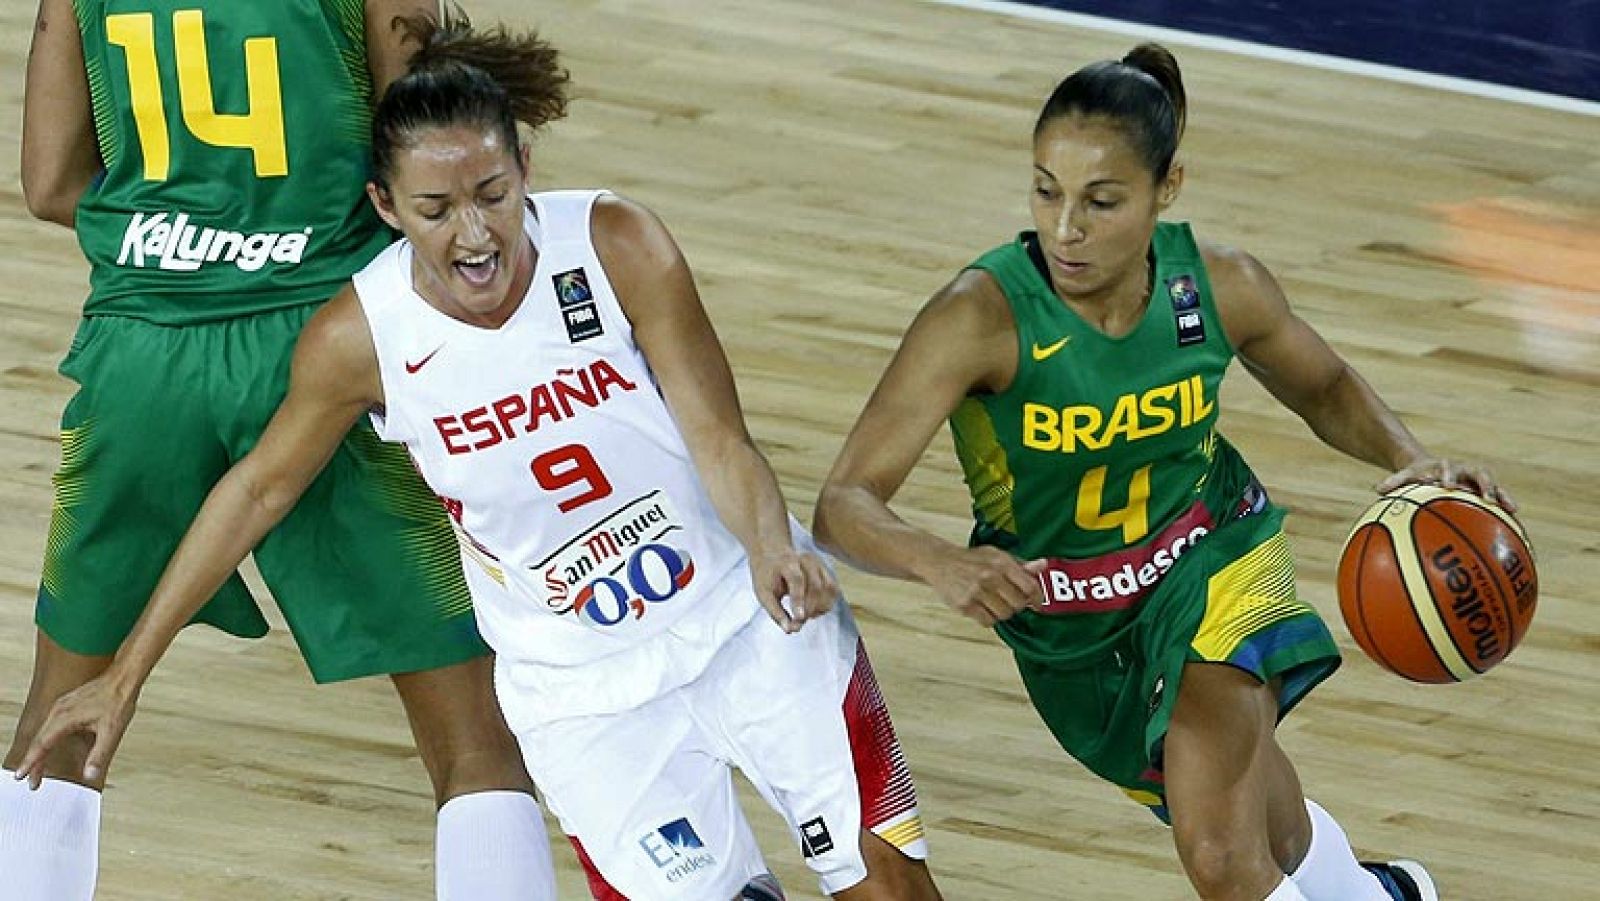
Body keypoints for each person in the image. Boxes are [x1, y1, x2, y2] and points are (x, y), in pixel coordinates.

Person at [18, 14, 946, 901]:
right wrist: (126, 672)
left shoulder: (617, 242)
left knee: (886, 882)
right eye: (435, 207)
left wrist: (773, 548)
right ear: (385, 206)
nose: (473, 233)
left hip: (745, 620)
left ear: (525, 170)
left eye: (493, 195)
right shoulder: (360, 339)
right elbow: (258, 488)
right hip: (578, 693)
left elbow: (719, 438)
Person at [814, 43, 1514, 901]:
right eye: (1046, 190)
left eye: (1100, 201)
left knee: (1219, 853)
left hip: (1212, 560)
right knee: (1269, 823)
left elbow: (1324, 384)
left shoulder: (1219, 286)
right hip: (1069, 620)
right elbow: (842, 503)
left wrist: (1410, 461)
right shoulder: (979, 316)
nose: (1065, 227)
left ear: (1165, 190)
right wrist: (938, 559)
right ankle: (1379, 893)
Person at [2, 2, 557, 899]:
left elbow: (50, 183)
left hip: (144, 354)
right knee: (472, 743)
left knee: (62, 721)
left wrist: (187, 236)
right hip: (334, 343)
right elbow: (424, 153)